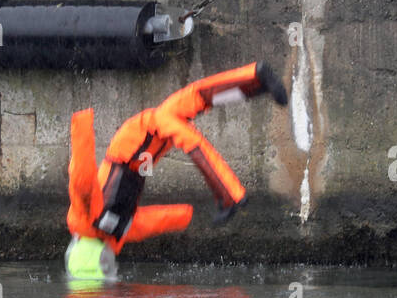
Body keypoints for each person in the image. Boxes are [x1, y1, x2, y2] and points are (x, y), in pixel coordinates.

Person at [64, 62, 288, 277]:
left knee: (192, 142)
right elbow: (151, 222)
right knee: (195, 99)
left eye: (104, 265)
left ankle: (231, 195)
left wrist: (81, 125)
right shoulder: (118, 234)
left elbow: (81, 177)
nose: (109, 264)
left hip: (134, 143)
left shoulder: (85, 218)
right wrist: (185, 216)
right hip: (143, 157)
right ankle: (257, 78)